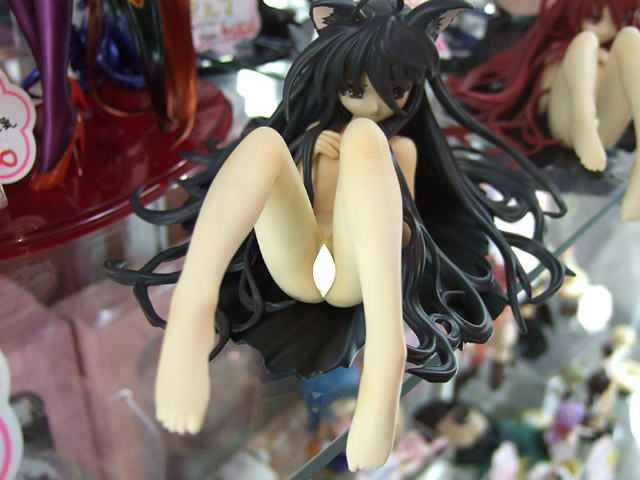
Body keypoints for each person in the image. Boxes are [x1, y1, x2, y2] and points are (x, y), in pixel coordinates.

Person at [107, 0, 566, 470]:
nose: (373, 103)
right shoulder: (312, 135)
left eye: (396, 89)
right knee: (263, 140)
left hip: (354, 273)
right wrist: (307, 155)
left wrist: (364, 170)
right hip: (298, 262)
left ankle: (386, 354)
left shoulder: (399, 149)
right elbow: (275, 199)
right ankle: (193, 303)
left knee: (367, 137)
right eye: (354, 88)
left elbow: (404, 234)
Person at [447, 0, 640, 220]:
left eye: (620, 20)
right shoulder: (561, 51)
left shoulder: (612, 55)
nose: (607, 29)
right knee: (586, 41)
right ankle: (583, 117)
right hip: (568, 122)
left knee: (631, 38)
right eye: (595, 19)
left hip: (604, 130)